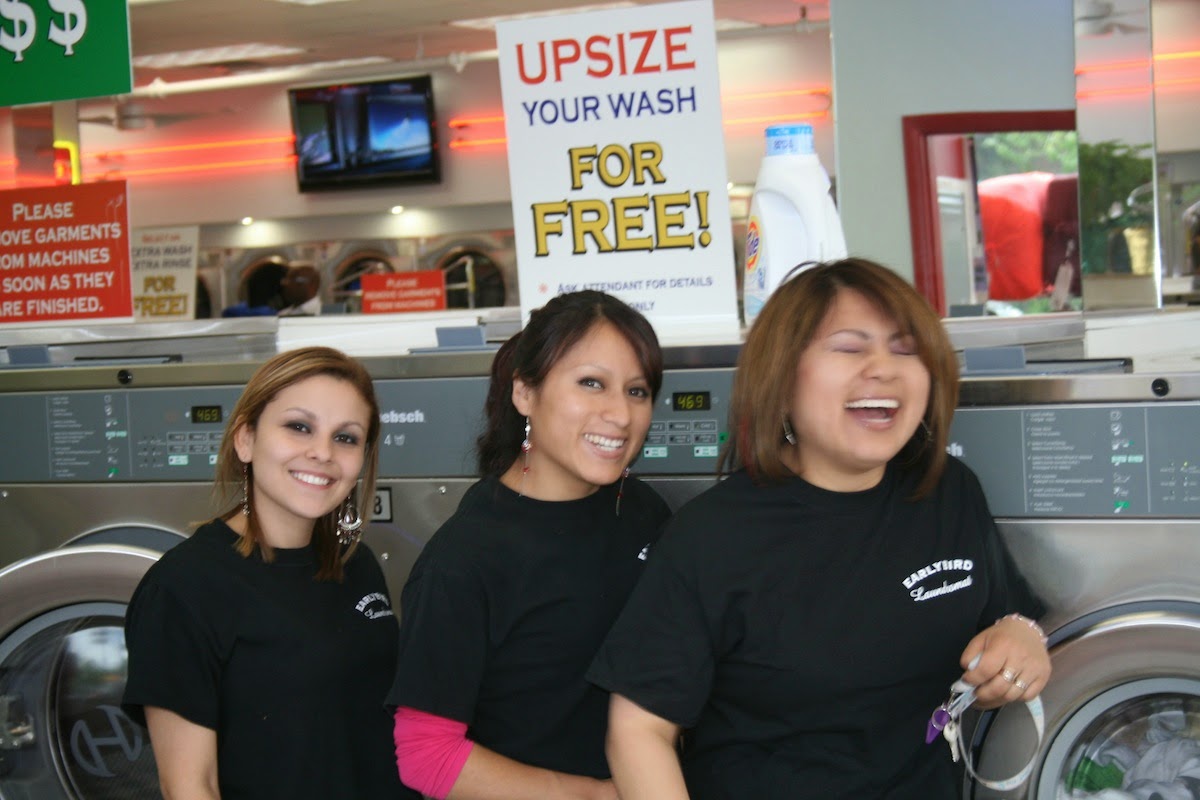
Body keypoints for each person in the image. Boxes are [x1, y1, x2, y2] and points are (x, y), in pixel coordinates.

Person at [588, 258, 1052, 799]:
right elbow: (638, 730)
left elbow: (1007, 621)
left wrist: (1023, 638)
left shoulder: (948, 491)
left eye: (906, 348)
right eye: (850, 347)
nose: (883, 367)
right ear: (782, 378)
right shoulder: (712, 536)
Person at [387, 290, 671, 800]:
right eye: (591, 383)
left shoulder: (643, 510)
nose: (621, 415)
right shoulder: (464, 560)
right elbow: (425, 755)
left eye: (637, 391)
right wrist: (594, 795)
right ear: (525, 393)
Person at [122, 346, 414, 800]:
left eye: (346, 437)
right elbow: (190, 787)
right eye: (299, 427)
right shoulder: (184, 588)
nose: (322, 453)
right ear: (245, 440)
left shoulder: (356, 566)